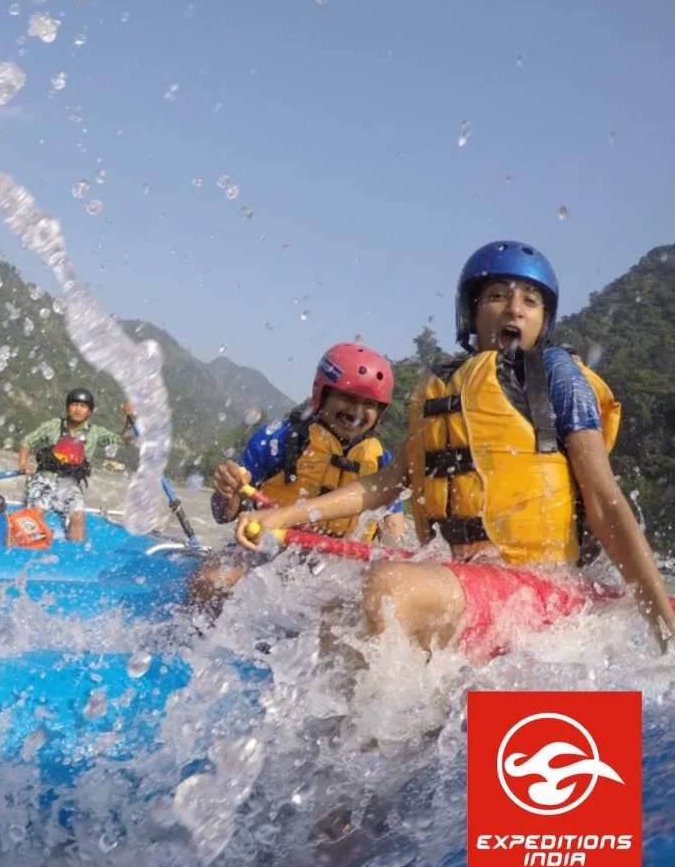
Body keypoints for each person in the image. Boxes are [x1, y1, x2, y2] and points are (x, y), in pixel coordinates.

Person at [237, 240, 675, 661]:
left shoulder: (555, 374)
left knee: (389, 589)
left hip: (541, 588)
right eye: (497, 296)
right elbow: (388, 483)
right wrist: (284, 516)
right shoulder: (440, 390)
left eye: (531, 301)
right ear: (472, 312)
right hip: (469, 582)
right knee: (338, 612)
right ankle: (359, 733)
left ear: (544, 320)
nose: (514, 308)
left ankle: (388, 738)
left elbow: (604, 499)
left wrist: (664, 630)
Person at [189, 343, 407, 609]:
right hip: (270, 553)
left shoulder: (383, 464)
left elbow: (394, 541)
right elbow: (224, 515)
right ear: (322, 394)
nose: (357, 412)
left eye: (369, 404)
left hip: (339, 569)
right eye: (348, 398)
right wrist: (229, 492)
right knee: (210, 581)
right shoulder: (279, 440)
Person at [16, 388, 136, 542]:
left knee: (78, 516)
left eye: (83, 406)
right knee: (37, 511)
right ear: (68, 407)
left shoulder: (95, 433)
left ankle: (76, 554)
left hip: (70, 485)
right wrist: (23, 464)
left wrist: (129, 418)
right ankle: (23, 545)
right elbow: (26, 442)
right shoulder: (53, 426)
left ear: (89, 412)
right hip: (44, 480)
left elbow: (123, 439)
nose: (78, 409)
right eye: (74, 405)